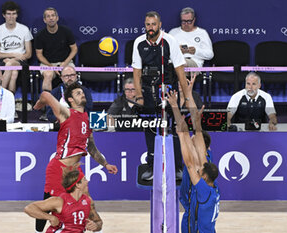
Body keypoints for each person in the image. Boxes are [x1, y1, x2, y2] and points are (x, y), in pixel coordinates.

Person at [33, 82, 118, 233]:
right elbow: (46, 95)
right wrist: (38, 105)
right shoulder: (66, 113)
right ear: (70, 100)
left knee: (88, 203)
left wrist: (105, 165)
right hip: (59, 168)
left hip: (75, 170)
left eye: (82, 92)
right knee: (50, 211)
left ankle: (94, 227)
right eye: (78, 93)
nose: (82, 94)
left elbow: (91, 147)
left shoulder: (86, 118)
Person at [132, 11, 189, 181]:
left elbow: (180, 71)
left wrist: (185, 96)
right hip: (148, 91)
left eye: (153, 24)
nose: (150, 28)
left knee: (174, 128)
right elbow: (136, 73)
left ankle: (178, 167)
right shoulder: (139, 42)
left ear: (160, 24)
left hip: (168, 90)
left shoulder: (170, 41)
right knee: (150, 129)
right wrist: (139, 96)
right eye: (148, 24)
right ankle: (151, 166)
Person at [168, 83, 219, 233]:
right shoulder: (209, 169)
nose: (193, 139)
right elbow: (196, 132)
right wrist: (187, 94)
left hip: (192, 215)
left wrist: (175, 107)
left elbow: (189, 161)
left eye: (195, 142)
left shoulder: (202, 179)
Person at [24, 170, 102, 233]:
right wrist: (50, 217)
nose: (87, 181)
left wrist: (96, 225)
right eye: (84, 179)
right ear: (78, 185)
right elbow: (29, 208)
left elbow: (98, 222)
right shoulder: (59, 201)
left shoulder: (87, 200)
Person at [0, 1, 33, 94]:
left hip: (21, 61)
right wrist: (13, 55)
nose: (11, 16)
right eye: (9, 14)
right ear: (4, 15)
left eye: (14, 14)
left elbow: (29, 53)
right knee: (13, 73)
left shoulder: (24, 29)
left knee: (9, 64)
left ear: (17, 15)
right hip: (3, 60)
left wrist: (13, 59)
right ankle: (10, 100)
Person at [35, 7, 78, 92]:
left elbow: (74, 49)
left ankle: (72, 101)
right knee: (48, 75)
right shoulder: (40, 35)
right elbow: (39, 55)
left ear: (57, 18)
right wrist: (52, 67)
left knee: (70, 75)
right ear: (44, 20)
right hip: (48, 64)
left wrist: (64, 64)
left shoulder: (66, 31)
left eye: (53, 15)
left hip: (66, 62)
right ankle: (48, 103)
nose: (51, 18)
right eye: (48, 16)